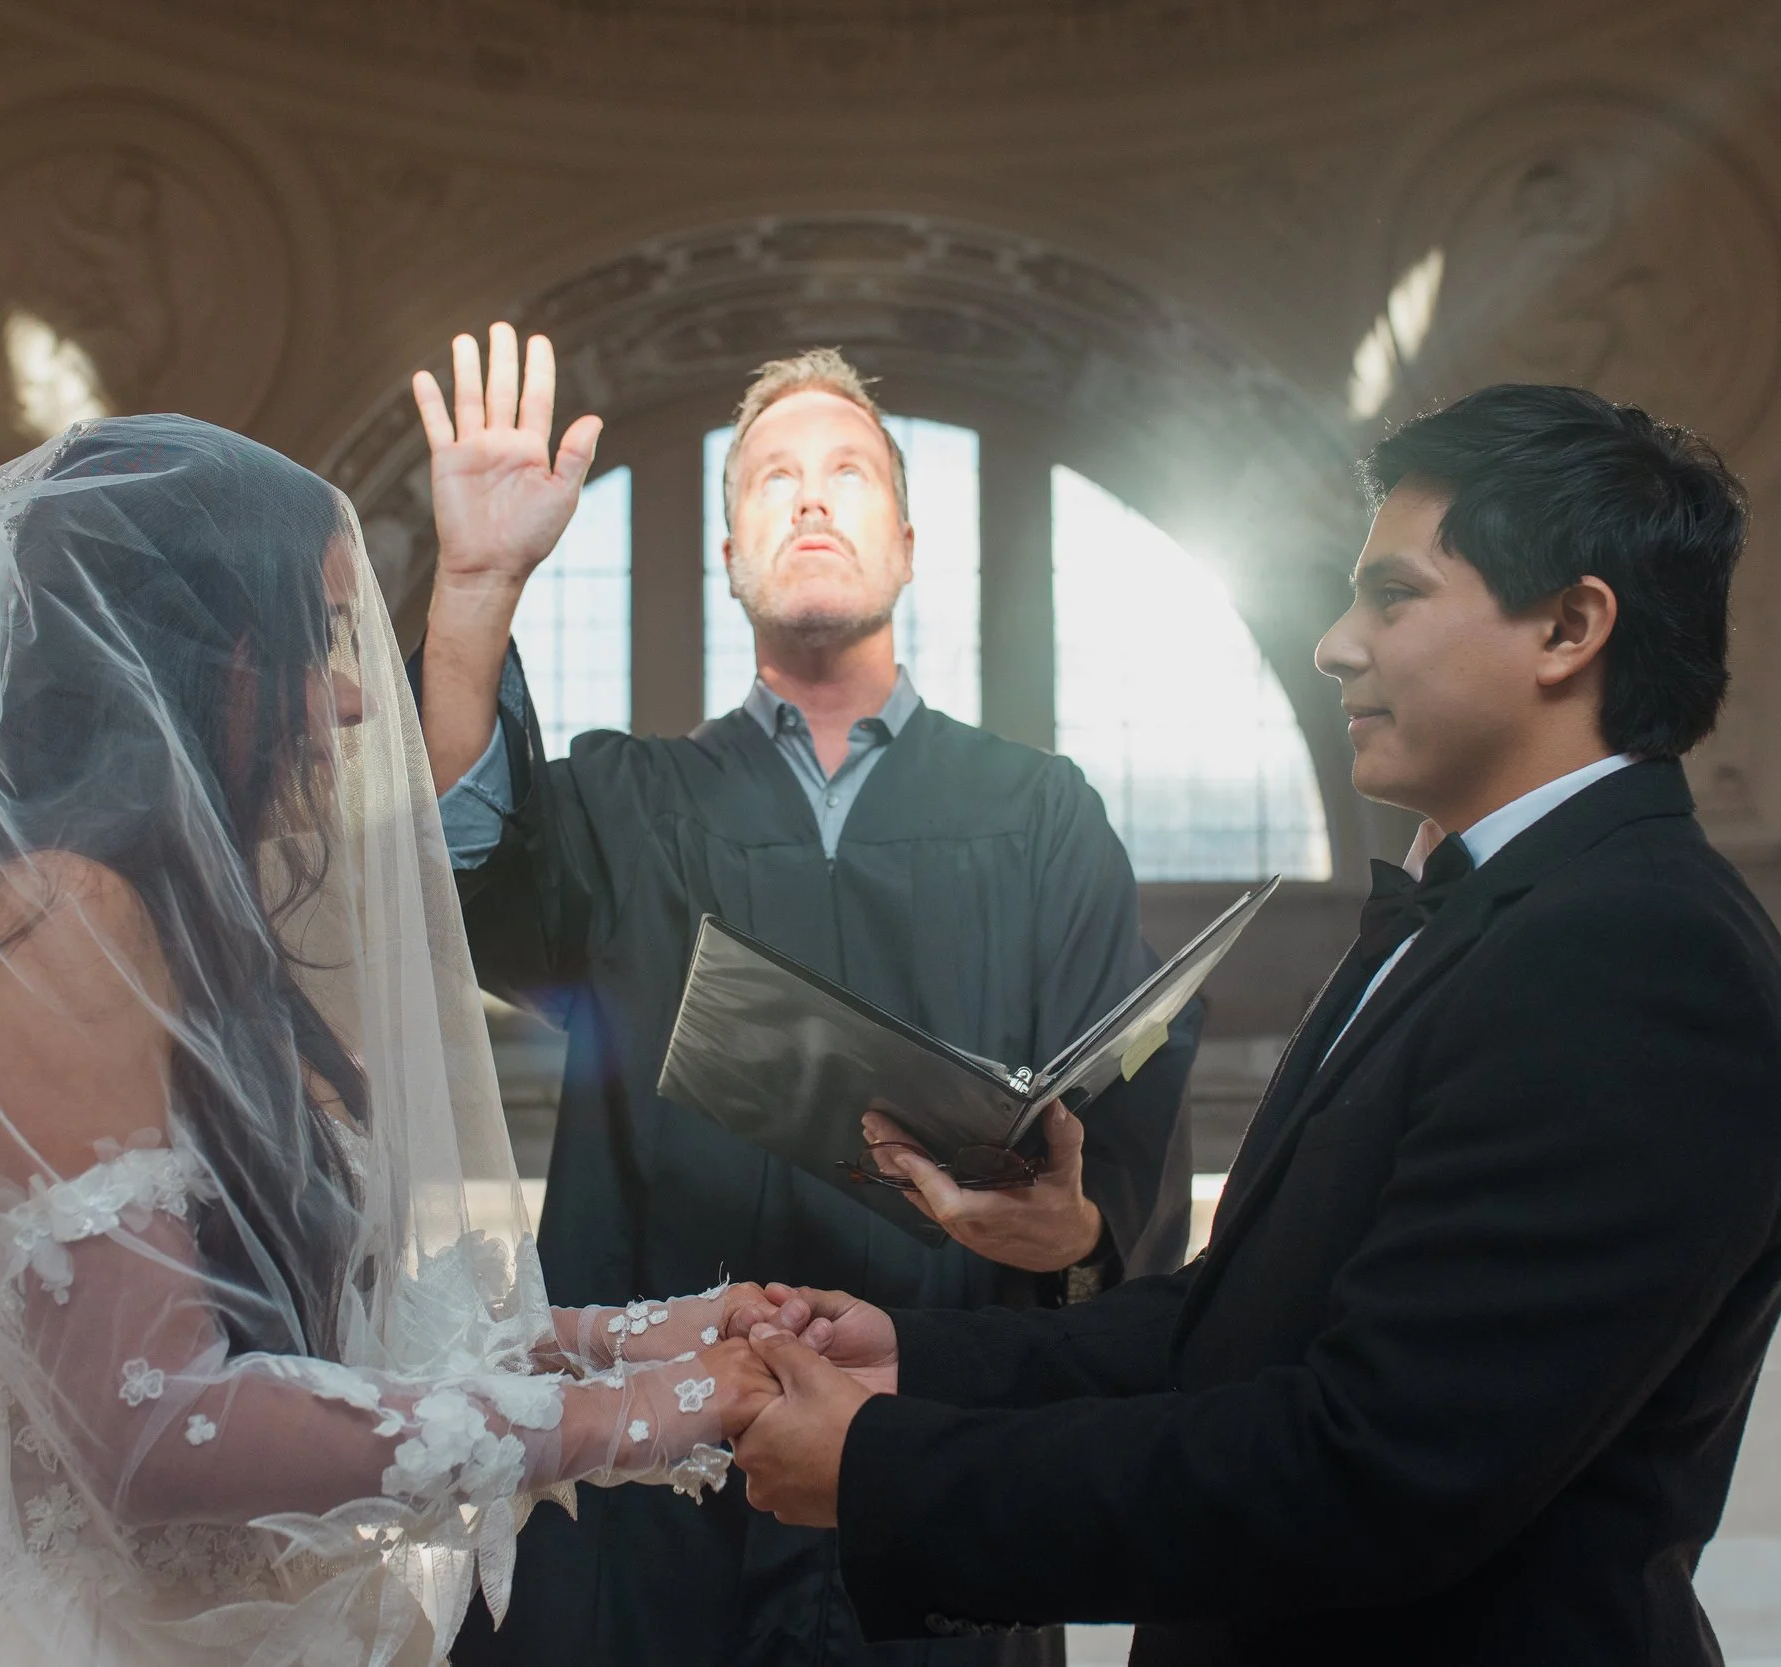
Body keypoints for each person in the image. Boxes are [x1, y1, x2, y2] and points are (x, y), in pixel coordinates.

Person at [0, 415, 785, 1667]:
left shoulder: (158, 924)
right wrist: (629, 1417)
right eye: (318, 636)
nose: (344, 697)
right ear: (201, 655)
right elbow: (157, 1425)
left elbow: (317, 1339)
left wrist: (662, 1339)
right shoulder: (54, 923)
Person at [724, 384, 1781, 1666]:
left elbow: (1374, 1468)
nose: (1333, 645)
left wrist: (884, 1469)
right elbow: (1239, 1325)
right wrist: (917, 1355)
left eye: (1395, 595)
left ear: (1570, 626)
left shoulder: (1638, 957)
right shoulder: (1507, 916)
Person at [409, 330, 1199, 1666]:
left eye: (848, 472)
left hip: (927, 1448)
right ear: (728, 557)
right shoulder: (626, 801)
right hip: (650, 1474)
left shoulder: (1039, 813)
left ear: (906, 539)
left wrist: (1069, 1232)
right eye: (772, 476)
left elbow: (1114, 1149)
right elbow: (459, 876)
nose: (813, 495)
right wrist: (476, 585)